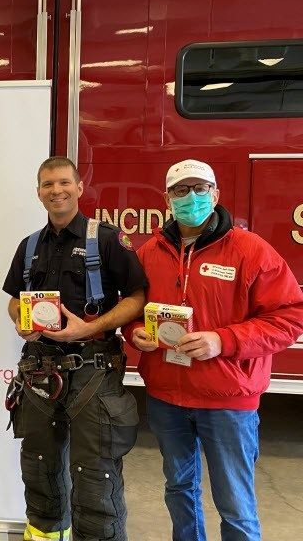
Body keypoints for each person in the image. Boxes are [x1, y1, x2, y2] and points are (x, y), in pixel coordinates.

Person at [123, 159, 303, 541]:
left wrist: (223, 340)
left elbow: (290, 317)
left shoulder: (250, 250)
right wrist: (136, 332)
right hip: (167, 396)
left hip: (227, 399)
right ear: (168, 199)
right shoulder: (150, 252)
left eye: (200, 188)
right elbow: (133, 309)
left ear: (216, 194)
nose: (191, 197)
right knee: (178, 489)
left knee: (235, 503)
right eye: (181, 190)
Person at [2, 156, 147, 541]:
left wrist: (92, 326)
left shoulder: (108, 239)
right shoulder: (29, 245)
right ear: (38, 193)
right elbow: (15, 299)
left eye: (64, 182)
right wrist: (20, 321)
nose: (57, 191)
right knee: (39, 467)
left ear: (80, 187)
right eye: (48, 185)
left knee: (95, 473)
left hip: (94, 371)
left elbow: (136, 298)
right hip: (38, 371)